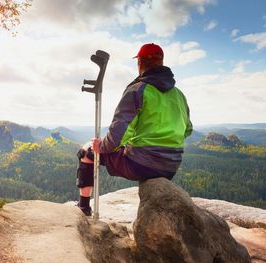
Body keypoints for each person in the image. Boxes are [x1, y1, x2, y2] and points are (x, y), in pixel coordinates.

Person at [76, 43, 193, 216]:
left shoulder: (137, 90)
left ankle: (83, 208)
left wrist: (101, 147)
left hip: (141, 164)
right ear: (161, 62)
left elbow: (118, 135)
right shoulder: (179, 95)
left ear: (139, 63)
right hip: (171, 166)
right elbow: (187, 130)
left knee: (86, 152)